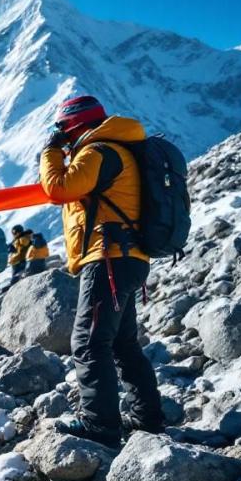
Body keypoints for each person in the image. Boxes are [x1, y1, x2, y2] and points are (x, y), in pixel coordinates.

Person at [40, 95, 164, 447]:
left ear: (74, 126)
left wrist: (50, 152)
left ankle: (100, 426)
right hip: (128, 258)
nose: (62, 137)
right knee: (122, 343)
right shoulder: (120, 150)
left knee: (89, 342)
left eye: (62, 130)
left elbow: (60, 188)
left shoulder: (97, 152)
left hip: (107, 259)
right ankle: (147, 418)